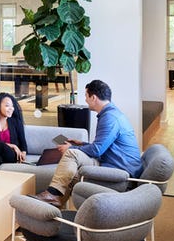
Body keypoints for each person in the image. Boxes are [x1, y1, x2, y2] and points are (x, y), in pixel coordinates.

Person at [32, 79, 142, 208]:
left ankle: (52, 195)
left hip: (120, 173)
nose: (85, 100)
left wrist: (72, 147)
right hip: (115, 164)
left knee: (71, 153)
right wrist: (81, 144)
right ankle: (53, 208)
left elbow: (97, 150)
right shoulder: (112, 114)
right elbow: (103, 146)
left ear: (93, 97)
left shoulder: (110, 118)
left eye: (86, 96)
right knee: (72, 172)